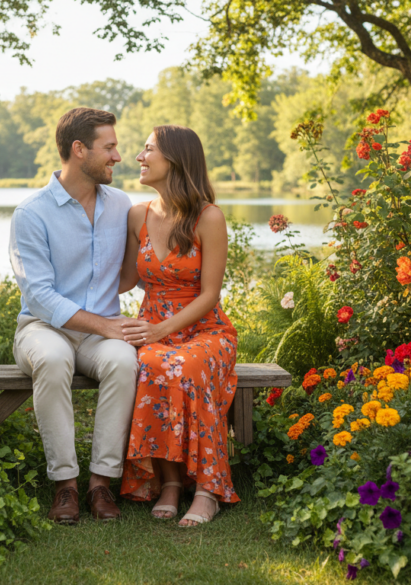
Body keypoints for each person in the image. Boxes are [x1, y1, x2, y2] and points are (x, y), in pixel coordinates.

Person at [9, 107, 140, 524]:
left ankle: (102, 482)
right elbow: (41, 297)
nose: (118, 156)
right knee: (52, 358)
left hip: (99, 337)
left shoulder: (122, 205)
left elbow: (126, 277)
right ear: (79, 150)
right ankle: (64, 484)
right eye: (110, 147)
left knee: (124, 360)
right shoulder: (32, 213)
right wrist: (106, 325)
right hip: (42, 328)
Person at [117, 125, 239, 526]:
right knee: (150, 366)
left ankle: (207, 488)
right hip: (152, 325)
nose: (139, 156)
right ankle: (169, 483)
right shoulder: (138, 215)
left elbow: (210, 295)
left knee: (188, 367)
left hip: (205, 329)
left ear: (175, 160)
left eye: (149, 149)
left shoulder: (209, 217)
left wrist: (160, 331)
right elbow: (124, 281)